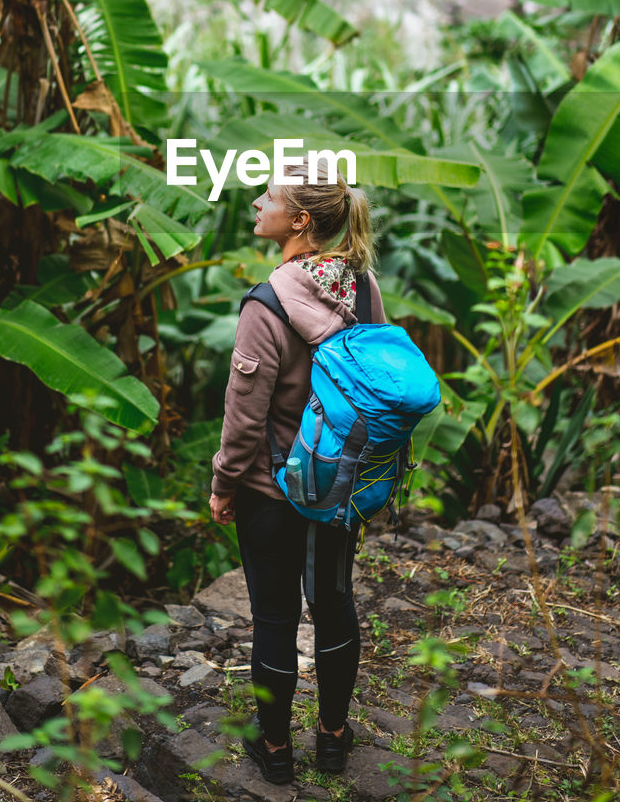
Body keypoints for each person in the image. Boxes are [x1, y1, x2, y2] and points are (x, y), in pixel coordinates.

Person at [209, 165, 386, 785]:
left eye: (272, 197)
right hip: (339, 485)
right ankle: (334, 740)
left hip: (271, 490)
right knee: (335, 605)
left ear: (300, 221)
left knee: (276, 618)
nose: (258, 202)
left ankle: (277, 752)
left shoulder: (267, 303)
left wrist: (223, 484)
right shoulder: (361, 288)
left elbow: (244, 417)